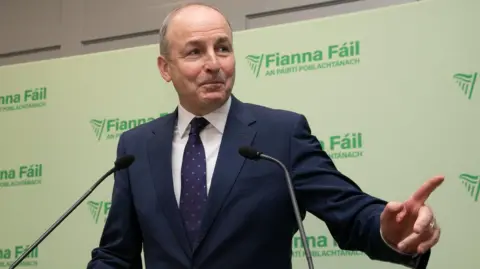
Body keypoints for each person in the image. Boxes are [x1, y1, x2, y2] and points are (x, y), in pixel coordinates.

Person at [87, 3, 442, 269]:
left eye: (222, 48)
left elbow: (348, 211)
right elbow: (117, 253)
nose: (214, 63)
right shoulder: (136, 147)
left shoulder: (281, 135)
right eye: (195, 51)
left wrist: (388, 230)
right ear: (166, 68)